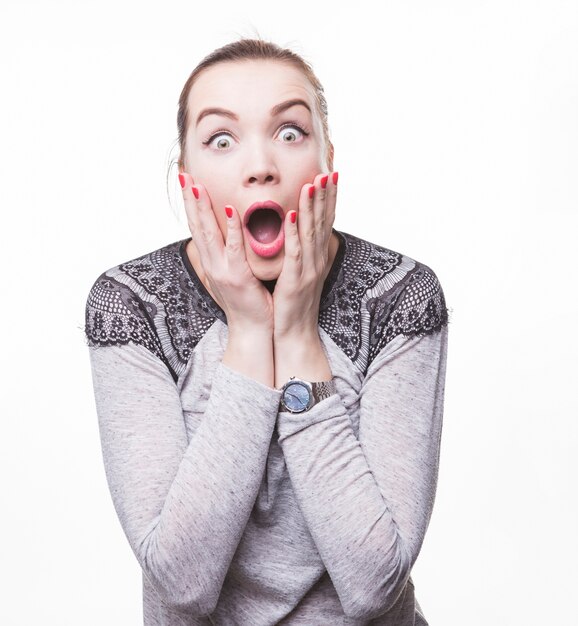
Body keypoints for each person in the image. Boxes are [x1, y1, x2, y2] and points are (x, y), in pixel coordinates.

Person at [85, 38, 449, 626]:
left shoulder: (399, 297)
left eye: (290, 132)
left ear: (328, 159)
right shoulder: (132, 305)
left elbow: (373, 587)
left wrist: (300, 337)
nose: (260, 165)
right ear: (186, 176)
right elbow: (182, 585)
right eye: (221, 140)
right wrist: (252, 334)